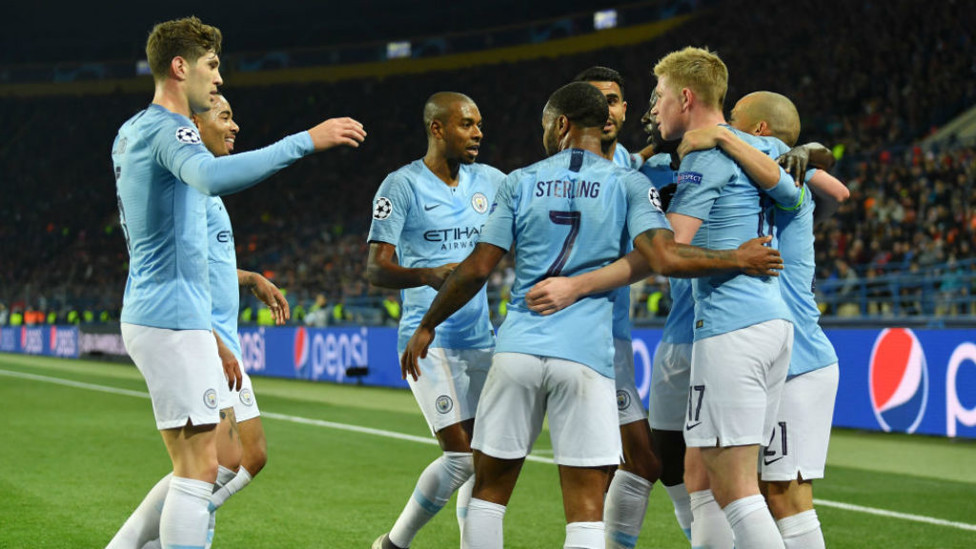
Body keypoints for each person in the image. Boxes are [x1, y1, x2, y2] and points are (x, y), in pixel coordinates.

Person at [402, 82, 783, 549]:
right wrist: (736, 258)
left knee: (488, 495)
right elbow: (665, 259)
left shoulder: (521, 180)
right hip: (586, 358)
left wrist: (427, 323)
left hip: (518, 350)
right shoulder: (628, 183)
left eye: (547, 123)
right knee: (584, 510)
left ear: (561, 124)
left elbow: (478, 267)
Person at [107, 16, 364, 549]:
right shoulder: (171, 129)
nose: (219, 78)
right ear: (180, 68)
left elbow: (177, 233)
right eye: (212, 65)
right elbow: (212, 177)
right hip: (175, 316)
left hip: (154, 308)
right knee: (201, 470)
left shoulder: (130, 129)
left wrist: (243, 279)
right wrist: (305, 141)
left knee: (202, 464)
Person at [682, 91, 848, 549]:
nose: (725, 127)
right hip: (781, 348)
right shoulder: (758, 176)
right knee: (709, 473)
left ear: (758, 132)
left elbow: (837, 186)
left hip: (799, 358)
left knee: (784, 493)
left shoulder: (782, 168)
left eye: (733, 121)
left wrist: (806, 153)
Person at [653, 47, 802, 549]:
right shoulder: (763, 147)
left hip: (730, 328)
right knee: (709, 473)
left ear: (686, 98)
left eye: (661, 96)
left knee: (734, 487)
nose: (655, 107)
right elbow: (800, 190)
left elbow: (670, 251)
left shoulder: (706, 156)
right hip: (774, 323)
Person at [367, 92, 505, 549]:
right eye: (467, 124)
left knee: (483, 463)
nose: (479, 133)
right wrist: (425, 273)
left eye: (480, 124)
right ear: (437, 128)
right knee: (460, 459)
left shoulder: (490, 181)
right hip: (428, 342)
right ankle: (393, 543)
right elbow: (374, 268)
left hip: (480, 341)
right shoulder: (400, 186)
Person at [572, 66, 662, 549]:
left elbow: (633, 158)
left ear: (627, 109)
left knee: (632, 462)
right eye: (598, 101)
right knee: (623, 463)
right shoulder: (571, 170)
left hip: (615, 337)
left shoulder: (626, 162)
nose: (607, 109)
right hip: (586, 335)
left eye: (614, 100)